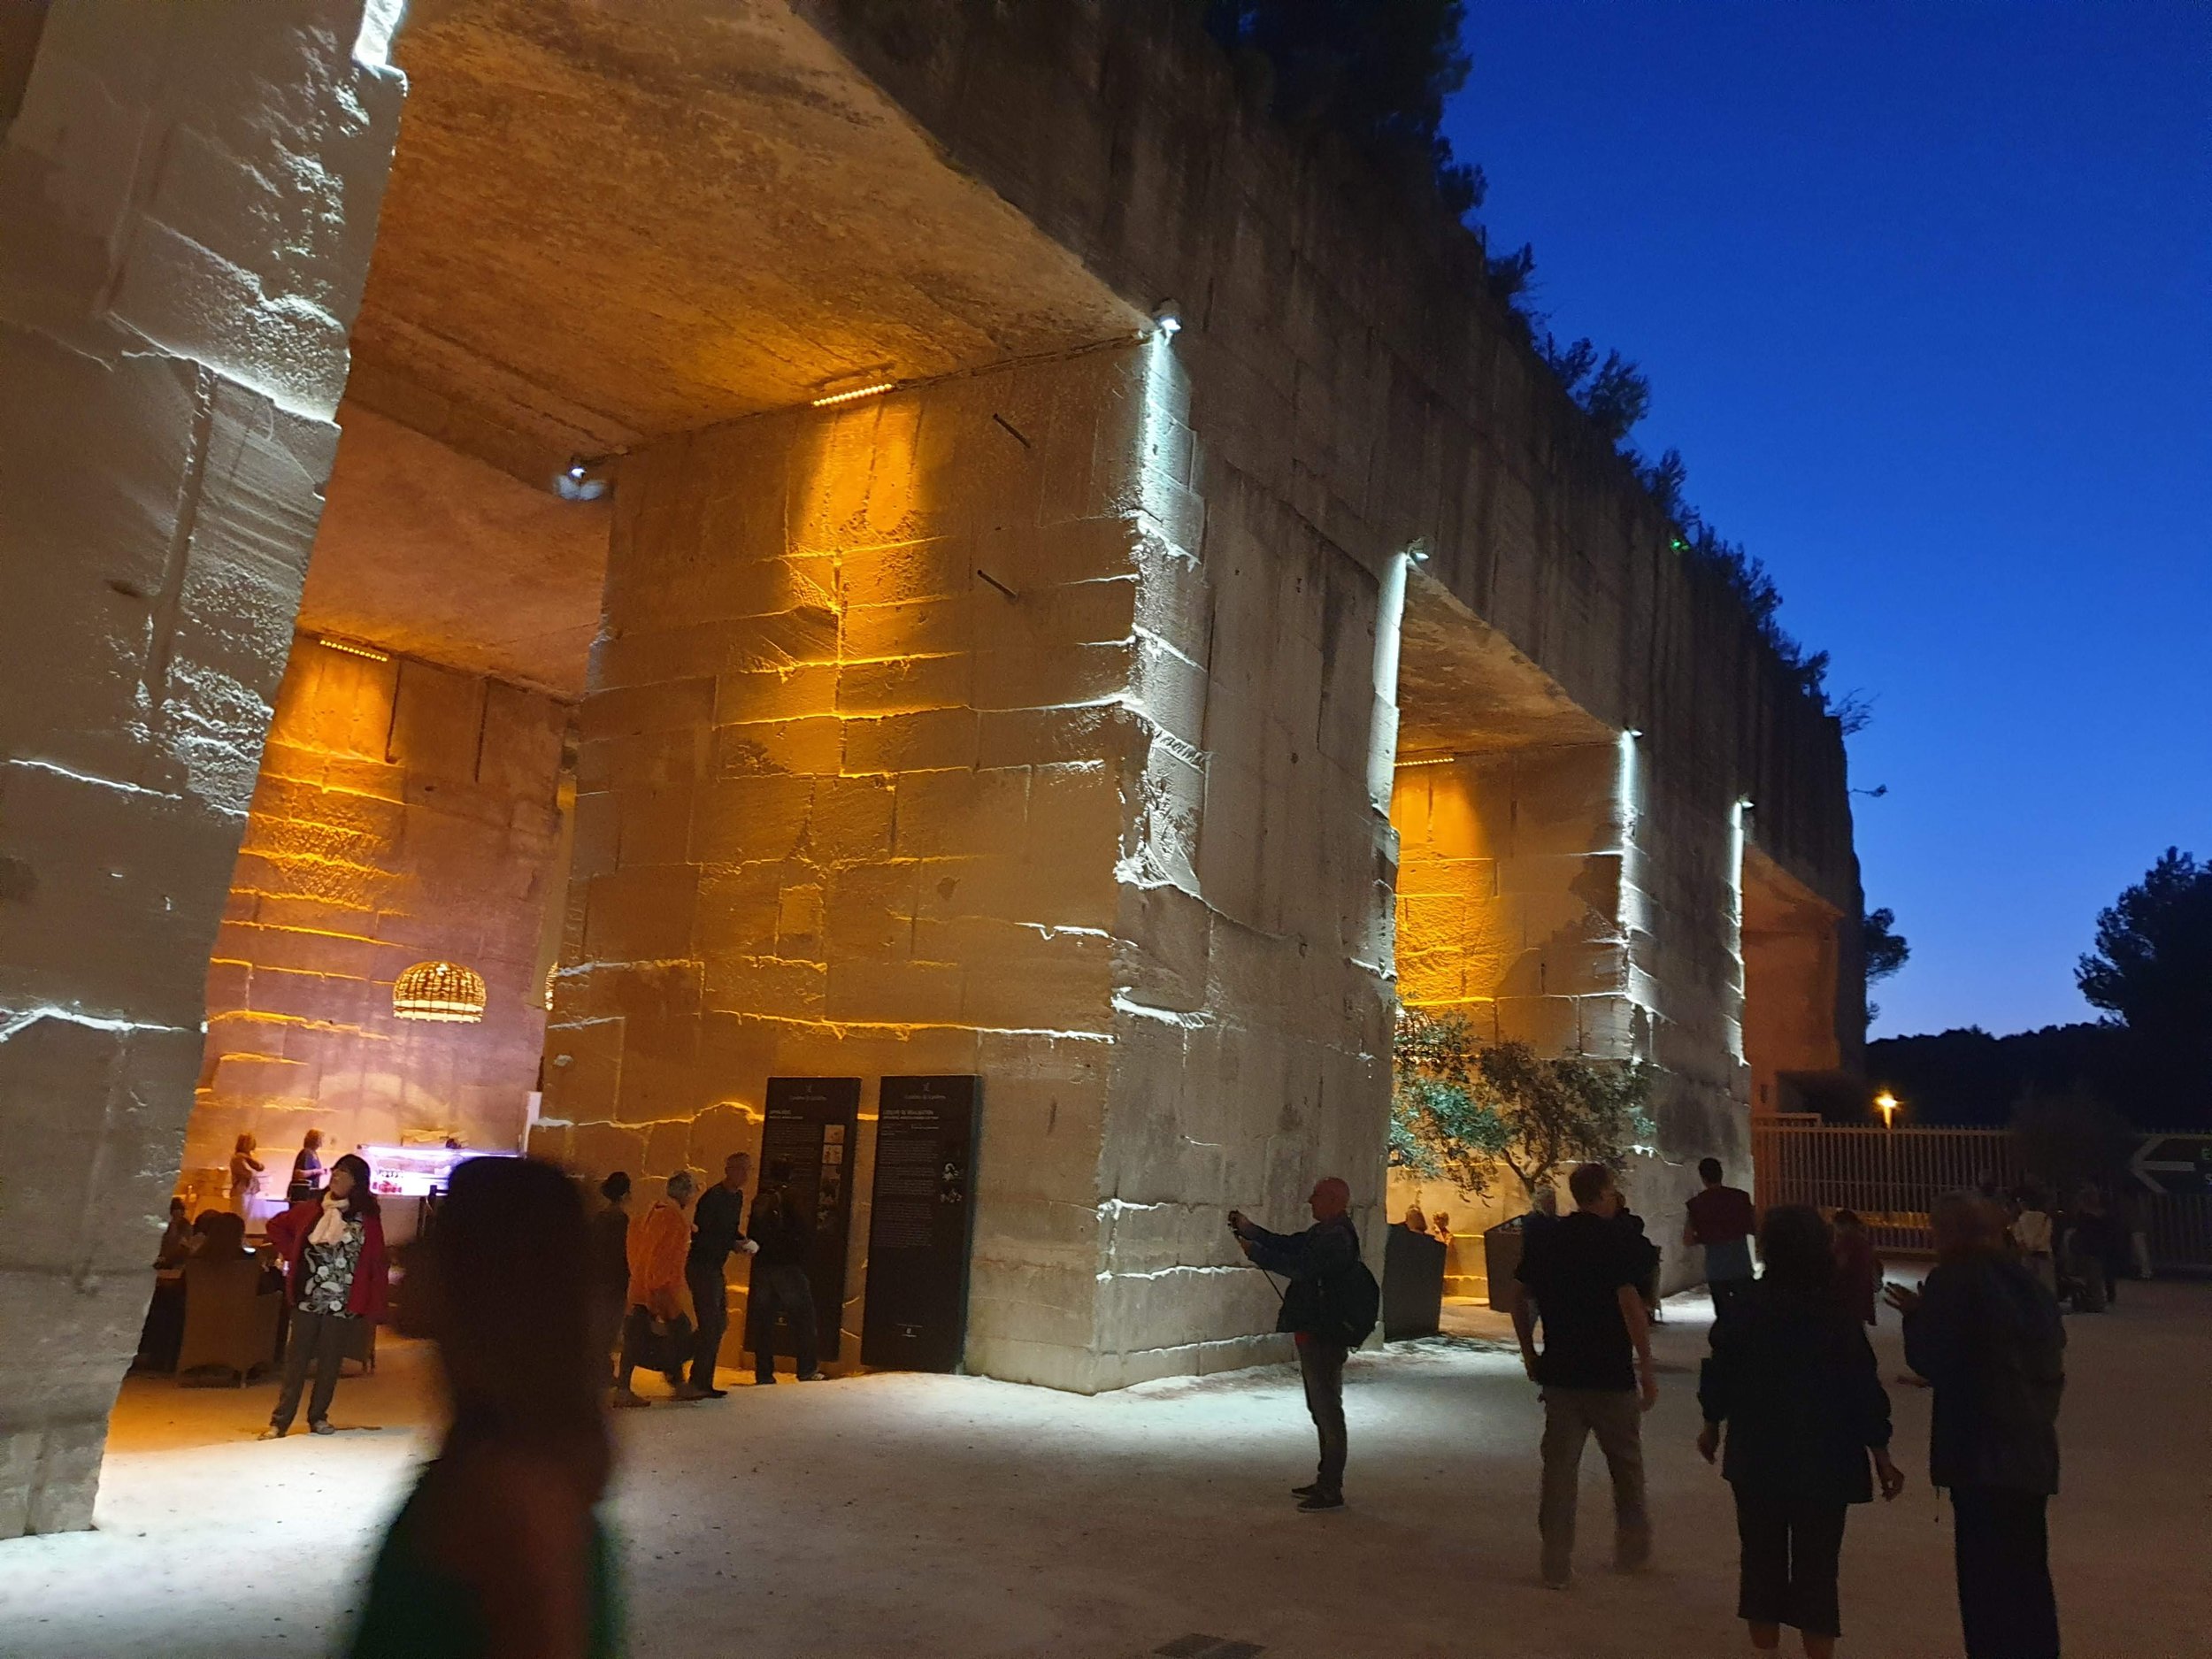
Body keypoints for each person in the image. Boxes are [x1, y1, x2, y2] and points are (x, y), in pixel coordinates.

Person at [348, 1156, 618, 1658]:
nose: (408, 1251)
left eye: (438, 1235)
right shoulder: (501, 1456)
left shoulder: (513, 1494)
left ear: (482, 1271)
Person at [1700, 1206, 1905, 1657]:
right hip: (1826, 1455)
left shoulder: (1745, 1307)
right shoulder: (1835, 1313)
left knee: (1761, 1561)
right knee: (1817, 1568)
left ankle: (1765, 1652)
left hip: (1757, 1451)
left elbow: (1720, 1371)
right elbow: (1861, 1385)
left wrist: (1712, 1423)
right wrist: (1881, 1451)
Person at [1886, 1194, 2065, 1659]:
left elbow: (1934, 1357)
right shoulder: (2027, 1284)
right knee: (2028, 1577)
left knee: (1985, 1587)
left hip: (1978, 1453)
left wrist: (1916, 1318)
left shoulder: (1954, 1280)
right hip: (2030, 1450)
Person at [1511, 1161, 1659, 1588]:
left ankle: (1556, 1561)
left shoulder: (1548, 1239)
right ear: (1604, 1193)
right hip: (1609, 1372)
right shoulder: (1616, 1241)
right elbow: (1631, 1305)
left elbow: (1518, 1297)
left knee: (1559, 1471)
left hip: (1561, 1372)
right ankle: (1631, 1550)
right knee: (1626, 1467)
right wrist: (1646, 1366)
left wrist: (1528, 1351)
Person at [1229, 1176, 1366, 1512]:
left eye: (1316, 1195)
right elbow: (1291, 1245)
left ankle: (1331, 1488)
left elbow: (1301, 1267)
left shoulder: (1336, 1238)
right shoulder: (1325, 1232)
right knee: (1320, 1408)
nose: (1310, 1200)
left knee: (1327, 1409)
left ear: (1334, 1201)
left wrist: (1257, 1252)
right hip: (1315, 1329)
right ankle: (1325, 1479)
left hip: (1325, 1333)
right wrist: (1251, 1231)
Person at [263, 1151, 388, 1438]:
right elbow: (276, 1226)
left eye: (345, 1173)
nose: (337, 1176)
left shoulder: (367, 1218)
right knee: (296, 1360)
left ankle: (318, 1416)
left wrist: (375, 1301)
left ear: (357, 1182)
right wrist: (292, 1254)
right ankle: (280, 1421)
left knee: (330, 1362)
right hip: (308, 1295)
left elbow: (377, 1261)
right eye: (336, 1171)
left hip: (343, 1300)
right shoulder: (312, 1209)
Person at [613, 1170, 701, 1407]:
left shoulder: (648, 1215)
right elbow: (662, 1258)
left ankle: (670, 1382)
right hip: (658, 1289)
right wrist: (659, 1293)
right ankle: (671, 1381)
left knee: (635, 1336)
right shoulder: (674, 1221)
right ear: (686, 1194)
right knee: (679, 1332)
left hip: (639, 1285)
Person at [685, 1152, 759, 1397]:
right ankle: (694, 1376)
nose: (746, 1175)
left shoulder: (736, 1197)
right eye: (742, 1169)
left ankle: (697, 1373)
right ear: (729, 1170)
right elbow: (704, 1234)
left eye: (748, 1169)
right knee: (711, 1324)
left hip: (714, 1266)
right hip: (702, 1266)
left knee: (718, 1323)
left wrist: (741, 1241)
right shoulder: (713, 1197)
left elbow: (728, 1229)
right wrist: (733, 1244)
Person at [745, 1160, 823, 1385]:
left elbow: (753, 1232)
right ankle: (807, 1369)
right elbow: (803, 1229)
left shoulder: (761, 1198)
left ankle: (763, 1373)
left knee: (764, 1323)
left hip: (763, 1265)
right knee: (803, 1318)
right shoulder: (792, 1197)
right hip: (787, 1265)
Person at [1685, 1157, 1757, 1323]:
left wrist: (1704, 1237)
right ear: (1721, 1174)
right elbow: (1756, 1228)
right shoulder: (1741, 1198)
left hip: (1716, 1270)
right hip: (1742, 1267)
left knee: (1724, 1316)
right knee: (1747, 1314)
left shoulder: (1696, 1204)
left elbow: (1687, 1240)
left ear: (1703, 1178)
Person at [587, 1173, 633, 1389]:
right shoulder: (620, 1220)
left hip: (598, 1279)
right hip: (614, 1280)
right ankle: (602, 1372)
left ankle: (600, 1371)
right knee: (610, 1328)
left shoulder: (599, 1218)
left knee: (601, 1327)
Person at [1830, 1210, 1880, 1327]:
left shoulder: (1845, 1243)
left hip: (1846, 1292)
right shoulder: (1864, 1242)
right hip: (1861, 1291)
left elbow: (1838, 1265)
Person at [2009, 1185, 2056, 1298]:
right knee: (2047, 1284)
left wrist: (2027, 1248)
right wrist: (2036, 1245)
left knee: (2028, 1284)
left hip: (2027, 1254)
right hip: (2043, 1253)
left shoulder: (2019, 1219)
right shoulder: (2045, 1217)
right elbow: (2046, 1236)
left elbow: (2018, 1236)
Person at [229, 1133, 265, 1217]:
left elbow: (260, 1167)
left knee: (247, 1217)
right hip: (241, 1192)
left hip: (249, 1191)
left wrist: (250, 1159)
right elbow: (249, 1173)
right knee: (240, 1216)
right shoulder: (238, 1158)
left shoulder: (248, 1158)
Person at [288, 1127, 326, 1202]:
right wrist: (316, 1171)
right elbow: (298, 1174)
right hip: (301, 1194)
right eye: (321, 1139)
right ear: (316, 1140)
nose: (323, 1141)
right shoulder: (306, 1153)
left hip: (309, 1193)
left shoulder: (314, 1154)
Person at [157, 1197, 195, 1268]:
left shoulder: (186, 1226)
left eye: (178, 1213)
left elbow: (182, 1242)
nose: (176, 1216)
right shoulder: (166, 1225)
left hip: (177, 1258)